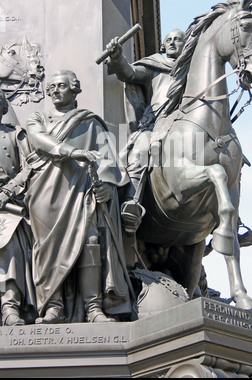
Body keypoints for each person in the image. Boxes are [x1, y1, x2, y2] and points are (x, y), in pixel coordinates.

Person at [24, 70, 131, 324]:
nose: (55, 91)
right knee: (48, 248)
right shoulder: (38, 117)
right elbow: (39, 142)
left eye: (61, 86)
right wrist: (74, 152)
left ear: (75, 90)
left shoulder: (91, 122)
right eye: (51, 87)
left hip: (82, 193)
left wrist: (108, 187)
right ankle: (53, 307)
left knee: (90, 242)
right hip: (45, 194)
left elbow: (109, 163)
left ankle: (93, 308)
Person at [105, 29, 185, 232]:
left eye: (178, 39)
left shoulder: (195, 68)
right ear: (163, 46)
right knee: (140, 149)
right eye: (169, 40)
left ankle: (233, 218)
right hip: (157, 123)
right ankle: (131, 201)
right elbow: (129, 73)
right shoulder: (155, 67)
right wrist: (117, 57)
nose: (173, 42)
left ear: (187, 44)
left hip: (186, 123)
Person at [0, 90, 36, 326]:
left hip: (9, 205)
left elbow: (32, 164)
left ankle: (9, 306)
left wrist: (9, 190)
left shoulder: (15, 135)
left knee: (9, 241)